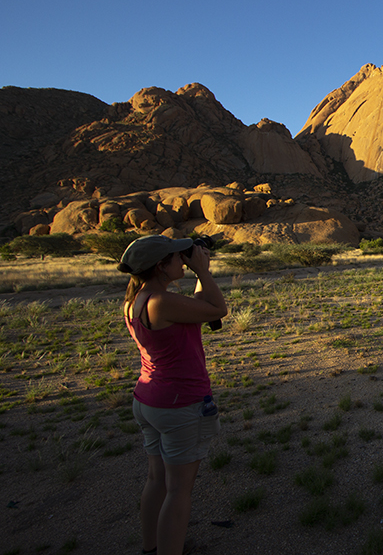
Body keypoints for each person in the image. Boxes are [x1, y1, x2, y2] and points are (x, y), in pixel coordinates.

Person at [118, 235, 228, 555]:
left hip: (149, 399)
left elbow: (202, 310)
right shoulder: (161, 302)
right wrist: (204, 272)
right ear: (161, 266)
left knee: (157, 480)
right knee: (179, 490)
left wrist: (198, 274)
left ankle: (153, 547)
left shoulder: (138, 299)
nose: (182, 261)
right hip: (180, 403)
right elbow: (218, 308)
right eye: (176, 258)